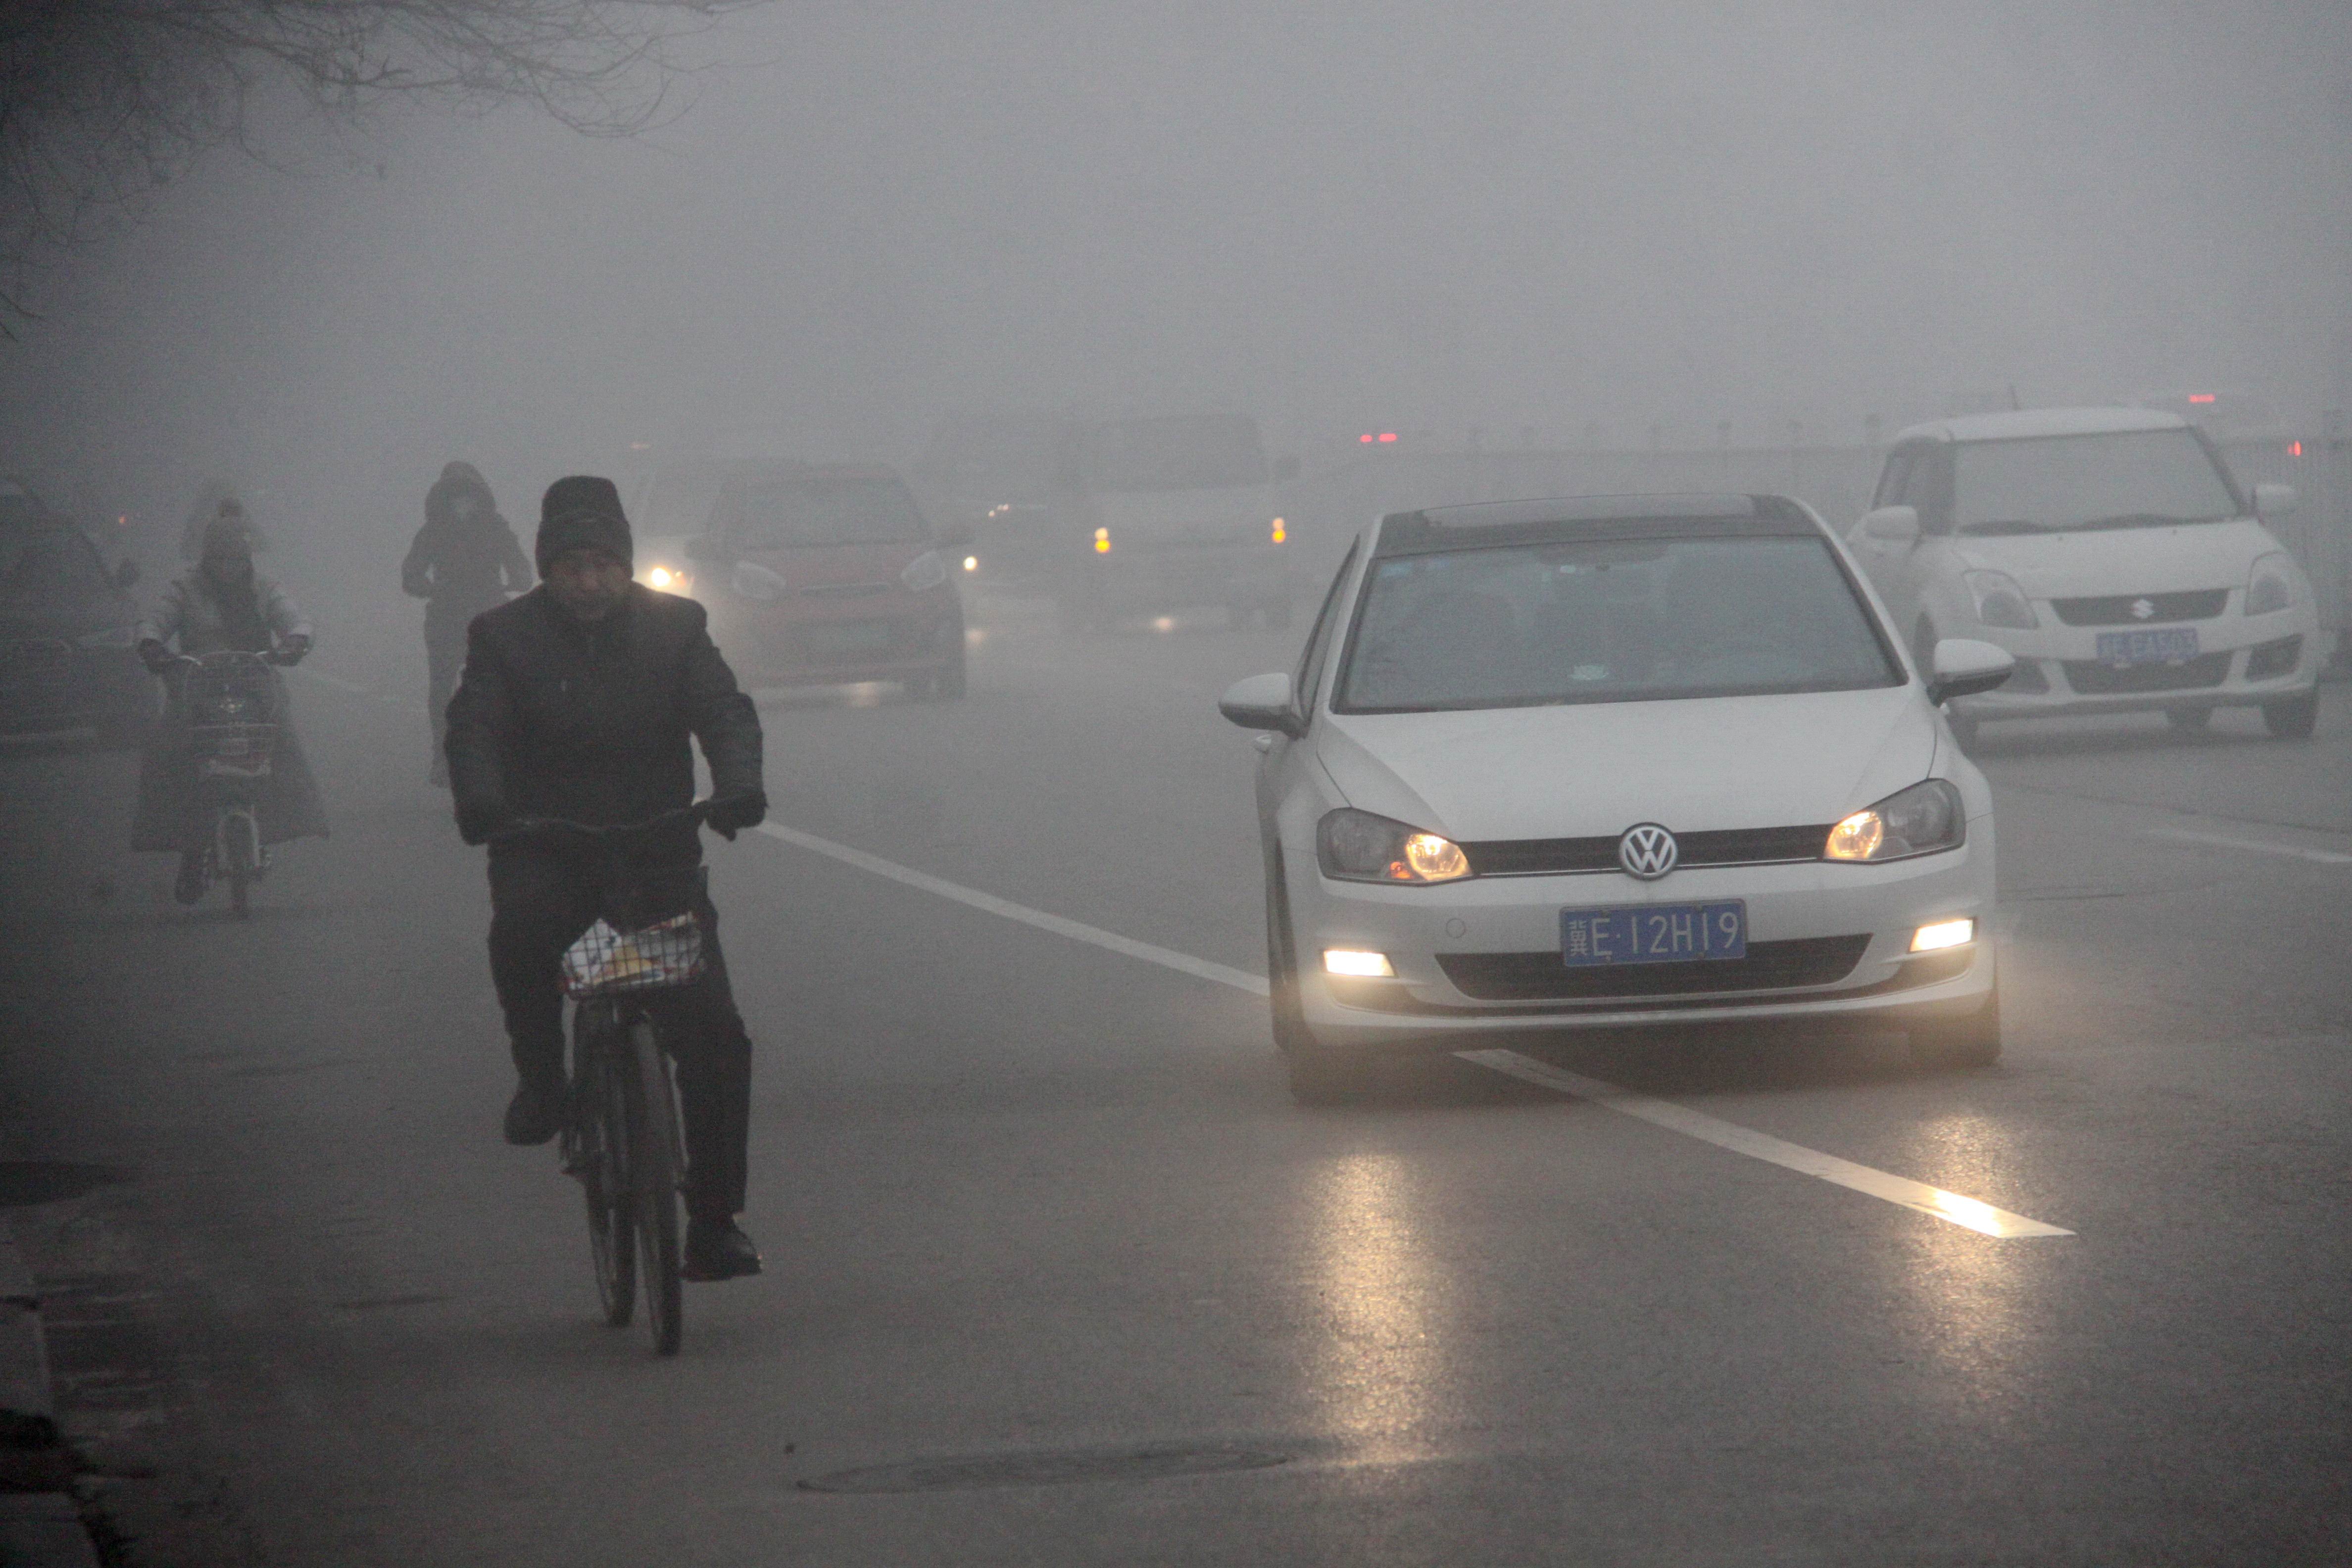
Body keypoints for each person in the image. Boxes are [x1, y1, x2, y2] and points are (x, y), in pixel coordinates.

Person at [443, 476, 769, 1281]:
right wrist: (483, 801)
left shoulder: (677, 628)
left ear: (625, 567)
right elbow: (475, 726)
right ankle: (543, 1081)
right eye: (571, 566)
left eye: (602, 564)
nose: (588, 580)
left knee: (715, 1034)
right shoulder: (502, 637)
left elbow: (723, 711)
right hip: (545, 845)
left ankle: (715, 1220)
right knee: (521, 935)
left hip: (655, 850)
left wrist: (737, 785)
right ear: (547, 569)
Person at [133, 503, 330, 902]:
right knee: (172, 757)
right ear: (207, 557)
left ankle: (277, 825)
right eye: (220, 558)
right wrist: (153, 647)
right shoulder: (184, 589)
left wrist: (294, 642)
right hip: (196, 690)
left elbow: (295, 619)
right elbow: (155, 623)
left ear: (248, 557)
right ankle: (190, 850)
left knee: (284, 749)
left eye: (237, 558)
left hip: (256, 686)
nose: (229, 566)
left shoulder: (265, 588)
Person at [402, 462, 532, 786]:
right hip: (467, 616)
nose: (462, 502)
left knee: (455, 688)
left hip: (475, 617)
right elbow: (412, 576)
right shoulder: (447, 530)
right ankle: (445, 756)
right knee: (452, 686)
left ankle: (451, 757)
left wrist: (429, 588)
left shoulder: (485, 529)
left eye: (466, 495)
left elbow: (522, 573)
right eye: (456, 495)